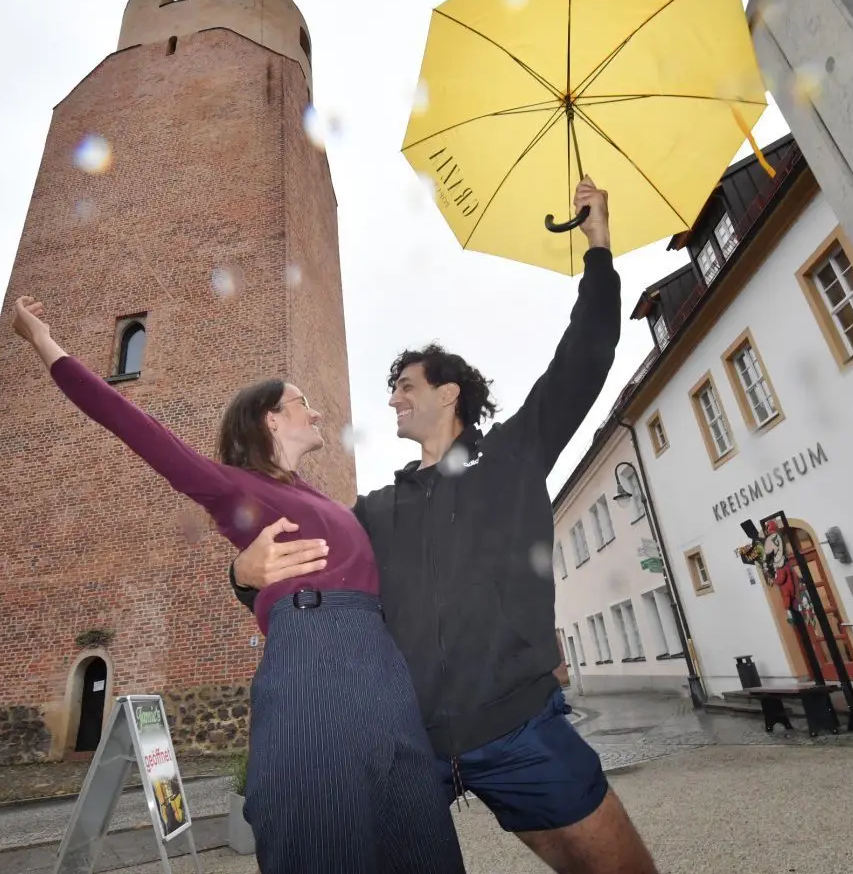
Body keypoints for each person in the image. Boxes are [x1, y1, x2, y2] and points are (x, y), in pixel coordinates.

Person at [230, 177, 660, 874]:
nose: (392, 399)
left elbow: (586, 356)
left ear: (450, 392)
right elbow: (301, 568)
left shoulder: (513, 456)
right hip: (412, 745)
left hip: (519, 728)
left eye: (406, 386)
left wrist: (599, 246)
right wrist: (242, 575)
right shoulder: (374, 510)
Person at [9, 296, 466, 874]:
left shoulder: (322, 499)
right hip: (313, 660)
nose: (316, 414)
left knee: (422, 833)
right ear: (270, 418)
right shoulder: (234, 488)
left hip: (382, 666)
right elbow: (130, 423)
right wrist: (44, 341)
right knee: (320, 832)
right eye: (302, 403)